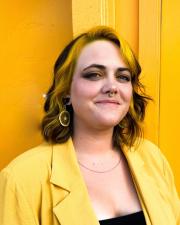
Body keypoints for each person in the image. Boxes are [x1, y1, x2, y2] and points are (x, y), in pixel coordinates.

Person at [0, 26, 179, 225]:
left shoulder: (153, 158)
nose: (112, 87)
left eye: (122, 77)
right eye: (94, 74)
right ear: (66, 90)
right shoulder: (21, 178)